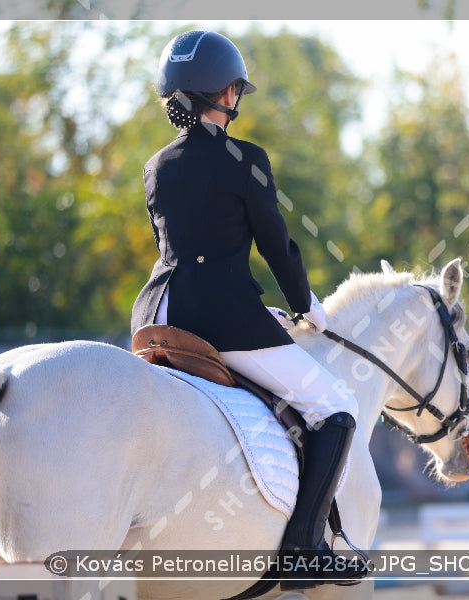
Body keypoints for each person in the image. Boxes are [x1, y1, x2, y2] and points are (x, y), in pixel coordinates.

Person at [129, 30, 366, 589]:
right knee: (337, 405)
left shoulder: (154, 167)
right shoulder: (247, 159)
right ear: (221, 92)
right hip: (222, 319)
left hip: (158, 316)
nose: (238, 99)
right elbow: (275, 244)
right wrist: (305, 307)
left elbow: (191, 250)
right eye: (236, 89)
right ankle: (305, 547)